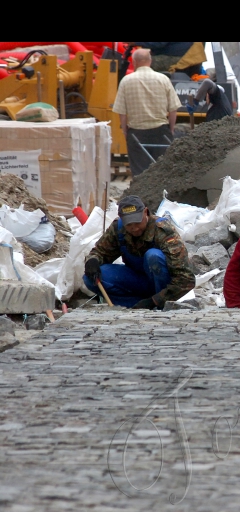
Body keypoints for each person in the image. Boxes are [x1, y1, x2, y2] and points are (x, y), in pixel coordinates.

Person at [83, 196, 196, 310]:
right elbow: (100, 252)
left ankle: (159, 305)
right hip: (138, 281)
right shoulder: (118, 228)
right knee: (91, 278)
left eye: (137, 222)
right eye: (129, 225)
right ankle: (134, 305)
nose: (134, 228)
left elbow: (186, 280)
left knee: (153, 256)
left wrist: (156, 300)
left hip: (162, 285)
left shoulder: (162, 230)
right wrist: (93, 260)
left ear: (145, 212)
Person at [112, 49, 181, 177]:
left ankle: (141, 196)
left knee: (140, 173)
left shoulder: (126, 81)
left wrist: (125, 131)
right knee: (163, 171)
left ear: (134, 62)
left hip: (137, 132)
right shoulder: (163, 79)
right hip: (160, 131)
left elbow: (122, 112)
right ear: (150, 61)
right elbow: (173, 109)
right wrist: (170, 129)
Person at [127, 41, 206, 76]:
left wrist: (136, 42)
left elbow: (159, 43)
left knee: (143, 63)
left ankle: (142, 96)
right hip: (179, 54)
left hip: (178, 57)